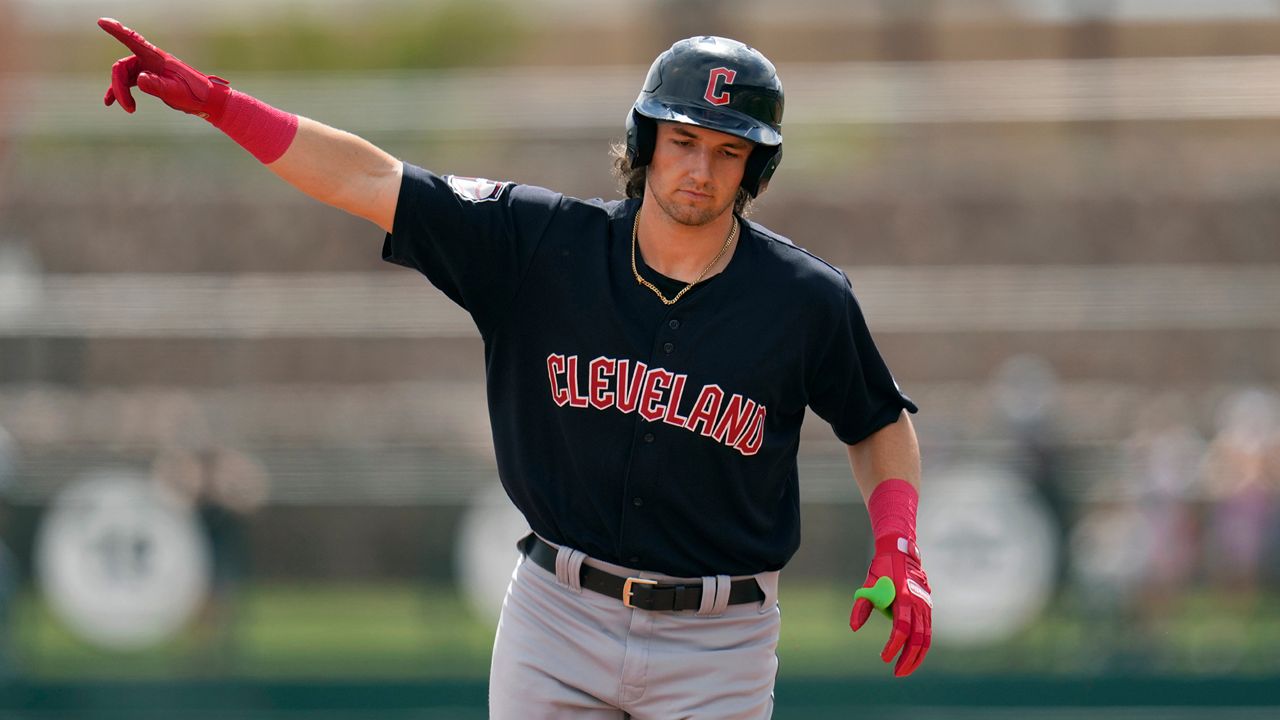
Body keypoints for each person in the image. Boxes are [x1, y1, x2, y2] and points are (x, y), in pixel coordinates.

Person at [100, 19, 932, 717]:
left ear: (757, 166)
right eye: (682, 140)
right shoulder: (538, 243)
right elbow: (371, 178)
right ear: (646, 140)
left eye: (727, 150)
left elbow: (878, 422)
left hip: (719, 639)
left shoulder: (804, 298)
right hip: (558, 614)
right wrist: (220, 105)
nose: (700, 169)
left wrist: (897, 541)